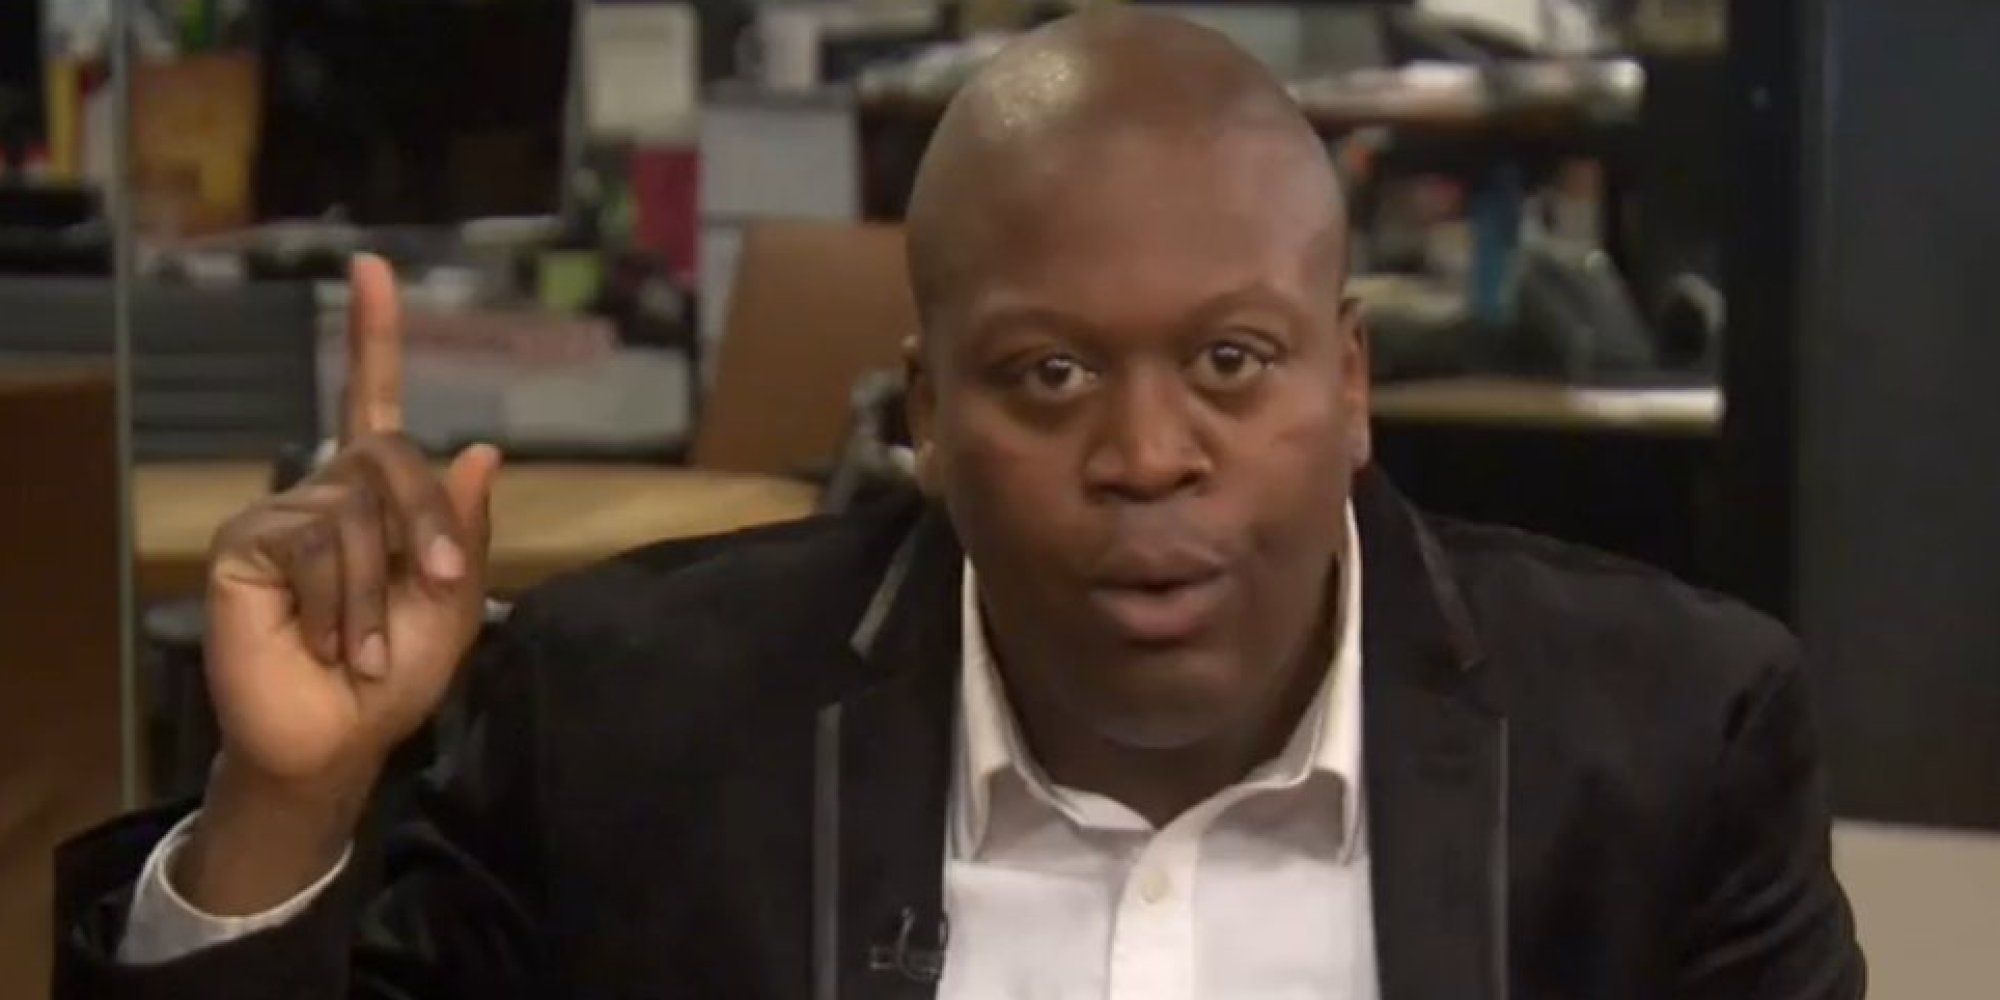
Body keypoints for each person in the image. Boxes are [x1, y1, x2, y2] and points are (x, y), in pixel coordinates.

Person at [55, 12, 1863, 999]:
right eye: (1049, 374)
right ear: (926, 412)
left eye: (1232, 362)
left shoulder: (1666, 746)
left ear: (1352, 384)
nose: (1146, 452)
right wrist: (284, 803)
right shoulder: (629, 725)